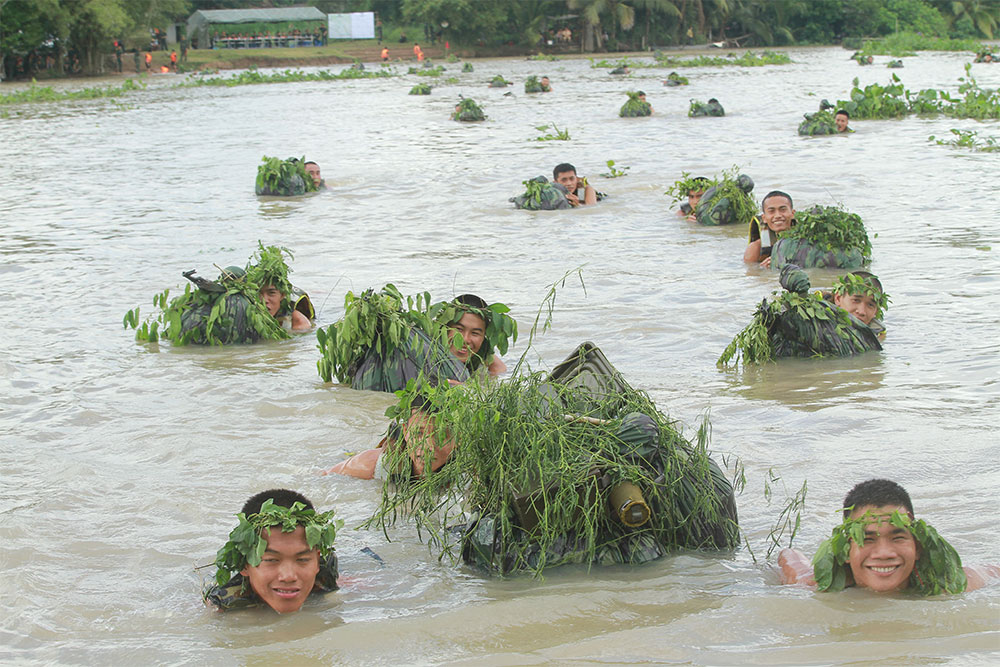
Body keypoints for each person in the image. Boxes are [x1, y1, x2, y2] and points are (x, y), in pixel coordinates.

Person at [325, 294, 512, 480]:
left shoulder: (469, 366)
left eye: (475, 333)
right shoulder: (419, 359)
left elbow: (498, 370)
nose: (465, 340)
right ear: (441, 329)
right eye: (458, 330)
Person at [778, 479, 999, 594]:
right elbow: (788, 554)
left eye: (898, 537)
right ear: (846, 549)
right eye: (868, 539)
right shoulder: (814, 584)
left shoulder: (958, 584)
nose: (884, 553)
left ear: (919, 547)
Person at [203, 489, 340, 613]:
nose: (288, 576)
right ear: (244, 563)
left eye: (302, 559)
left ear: (316, 560)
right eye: (271, 560)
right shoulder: (222, 601)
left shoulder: (325, 569)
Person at [744, 190, 795, 267]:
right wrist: (763, 269)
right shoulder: (755, 248)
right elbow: (750, 274)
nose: (777, 215)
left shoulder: (806, 239)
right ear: (764, 218)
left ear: (792, 214)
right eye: (771, 211)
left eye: (783, 210)